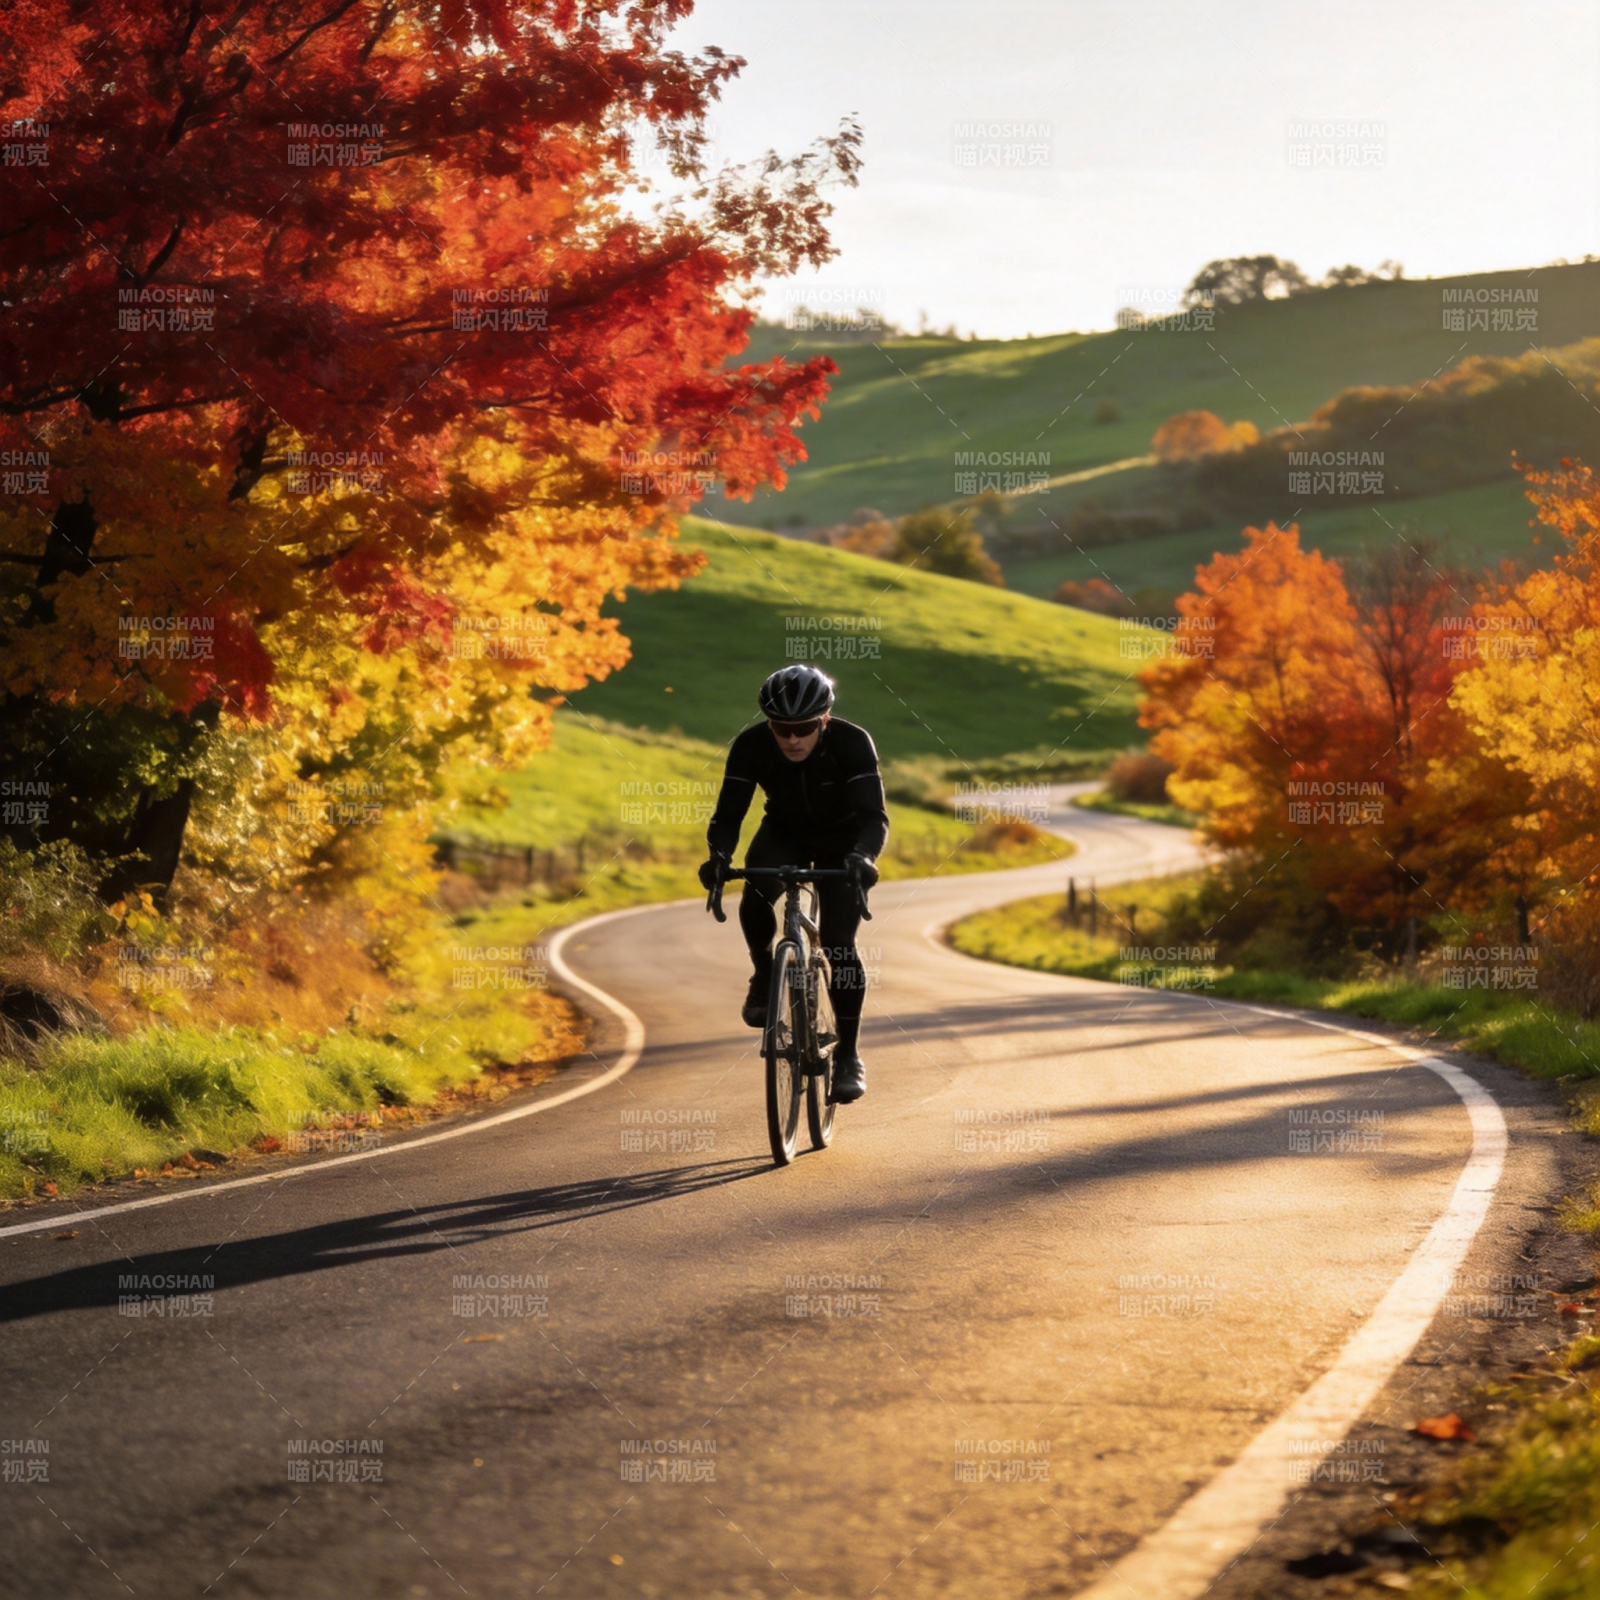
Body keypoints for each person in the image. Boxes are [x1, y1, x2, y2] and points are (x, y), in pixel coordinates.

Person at [699, 665, 887, 1104]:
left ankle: (848, 1055)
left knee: (840, 943)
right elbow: (728, 816)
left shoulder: (851, 742)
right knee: (755, 897)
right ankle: (765, 974)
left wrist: (864, 856)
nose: (793, 740)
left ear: (824, 719)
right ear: (770, 724)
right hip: (784, 832)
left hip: (844, 840)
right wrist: (718, 857)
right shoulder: (750, 747)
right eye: (782, 729)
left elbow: (873, 816)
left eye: (804, 728)